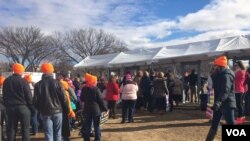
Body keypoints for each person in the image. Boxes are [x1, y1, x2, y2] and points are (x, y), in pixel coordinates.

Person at [33, 63, 68, 141]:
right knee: (58, 133)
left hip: (45, 112)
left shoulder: (38, 85)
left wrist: (41, 110)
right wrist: (66, 109)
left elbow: (35, 101)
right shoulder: (57, 83)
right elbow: (64, 98)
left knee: (48, 134)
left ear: (43, 71)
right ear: (51, 71)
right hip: (58, 111)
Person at [205, 56, 236, 141]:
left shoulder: (226, 75)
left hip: (227, 103)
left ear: (219, 66)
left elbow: (225, 90)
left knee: (231, 124)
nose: (214, 67)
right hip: (219, 103)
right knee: (214, 124)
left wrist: (218, 102)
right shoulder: (218, 74)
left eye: (215, 65)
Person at [3, 63, 35, 141]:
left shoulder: (6, 81)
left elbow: (4, 95)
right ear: (21, 71)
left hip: (10, 108)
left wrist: (7, 106)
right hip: (23, 108)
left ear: (13, 70)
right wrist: (32, 109)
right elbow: (29, 96)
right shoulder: (24, 81)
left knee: (11, 130)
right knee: (25, 130)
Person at [80, 73, 107, 141]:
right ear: (94, 82)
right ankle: (97, 139)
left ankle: (86, 139)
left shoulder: (84, 89)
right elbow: (100, 100)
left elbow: (82, 98)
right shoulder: (96, 89)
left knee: (87, 125)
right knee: (96, 126)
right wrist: (105, 108)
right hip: (96, 110)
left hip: (87, 109)